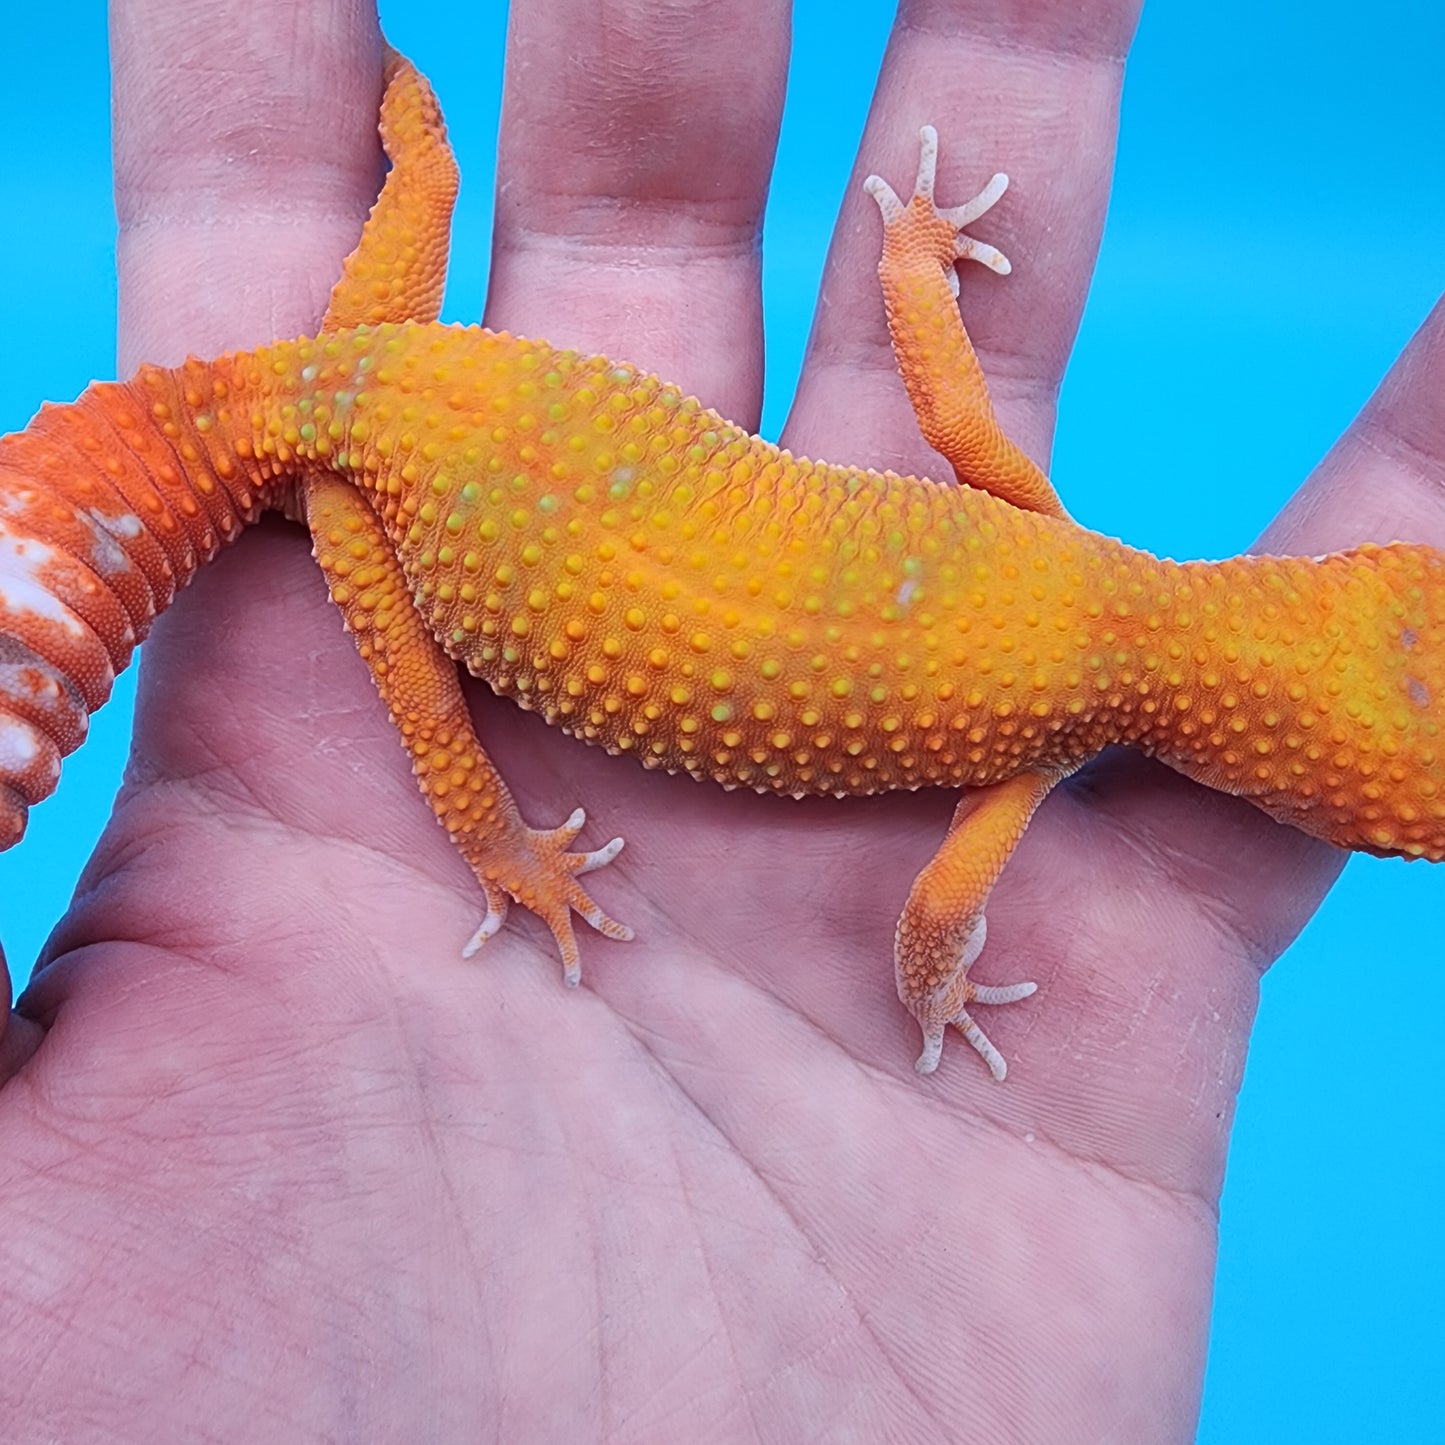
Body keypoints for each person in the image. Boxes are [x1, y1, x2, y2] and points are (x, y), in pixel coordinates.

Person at [1, 0, 1440, 1437]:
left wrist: (913, 248)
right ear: (1282, 785)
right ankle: (492, 842)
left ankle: (411, 123)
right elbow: (926, 930)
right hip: (357, 464)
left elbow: (948, 404)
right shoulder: (1026, 755)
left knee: (430, 167)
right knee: (429, 705)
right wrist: (508, 849)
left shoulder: (1054, 545)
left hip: (392, 375)